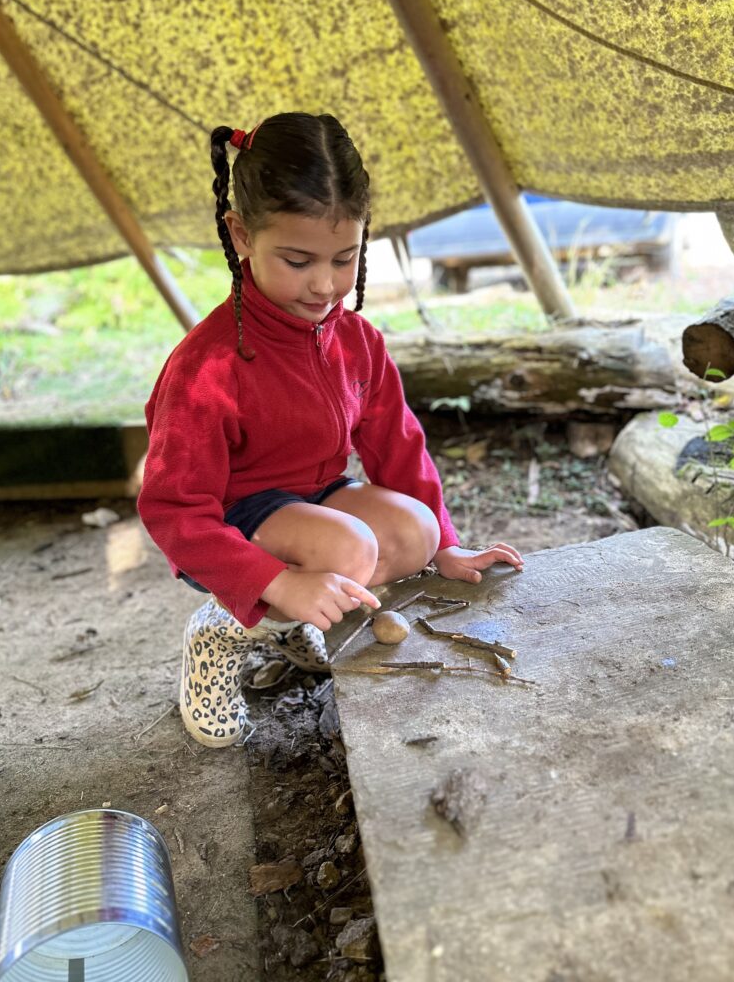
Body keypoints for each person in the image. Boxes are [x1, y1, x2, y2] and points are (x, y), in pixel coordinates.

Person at [138, 112, 523, 749]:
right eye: (298, 260)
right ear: (240, 236)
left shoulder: (356, 341)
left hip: (315, 498)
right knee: (350, 551)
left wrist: (447, 545)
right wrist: (274, 580)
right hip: (232, 521)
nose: (324, 284)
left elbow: (398, 447)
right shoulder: (207, 367)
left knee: (415, 532)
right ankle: (221, 628)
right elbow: (173, 508)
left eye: (345, 258)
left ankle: (291, 618)